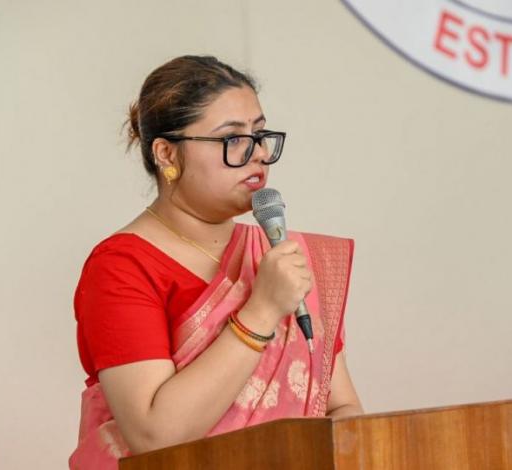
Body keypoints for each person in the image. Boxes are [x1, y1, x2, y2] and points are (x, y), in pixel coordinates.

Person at [69, 55, 363, 469]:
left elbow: (341, 409)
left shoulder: (282, 257)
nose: (258, 153)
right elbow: (153, 434)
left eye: (259, 134)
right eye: (233, 138)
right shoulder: (122, 267)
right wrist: (261, 311)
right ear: (167, 153)